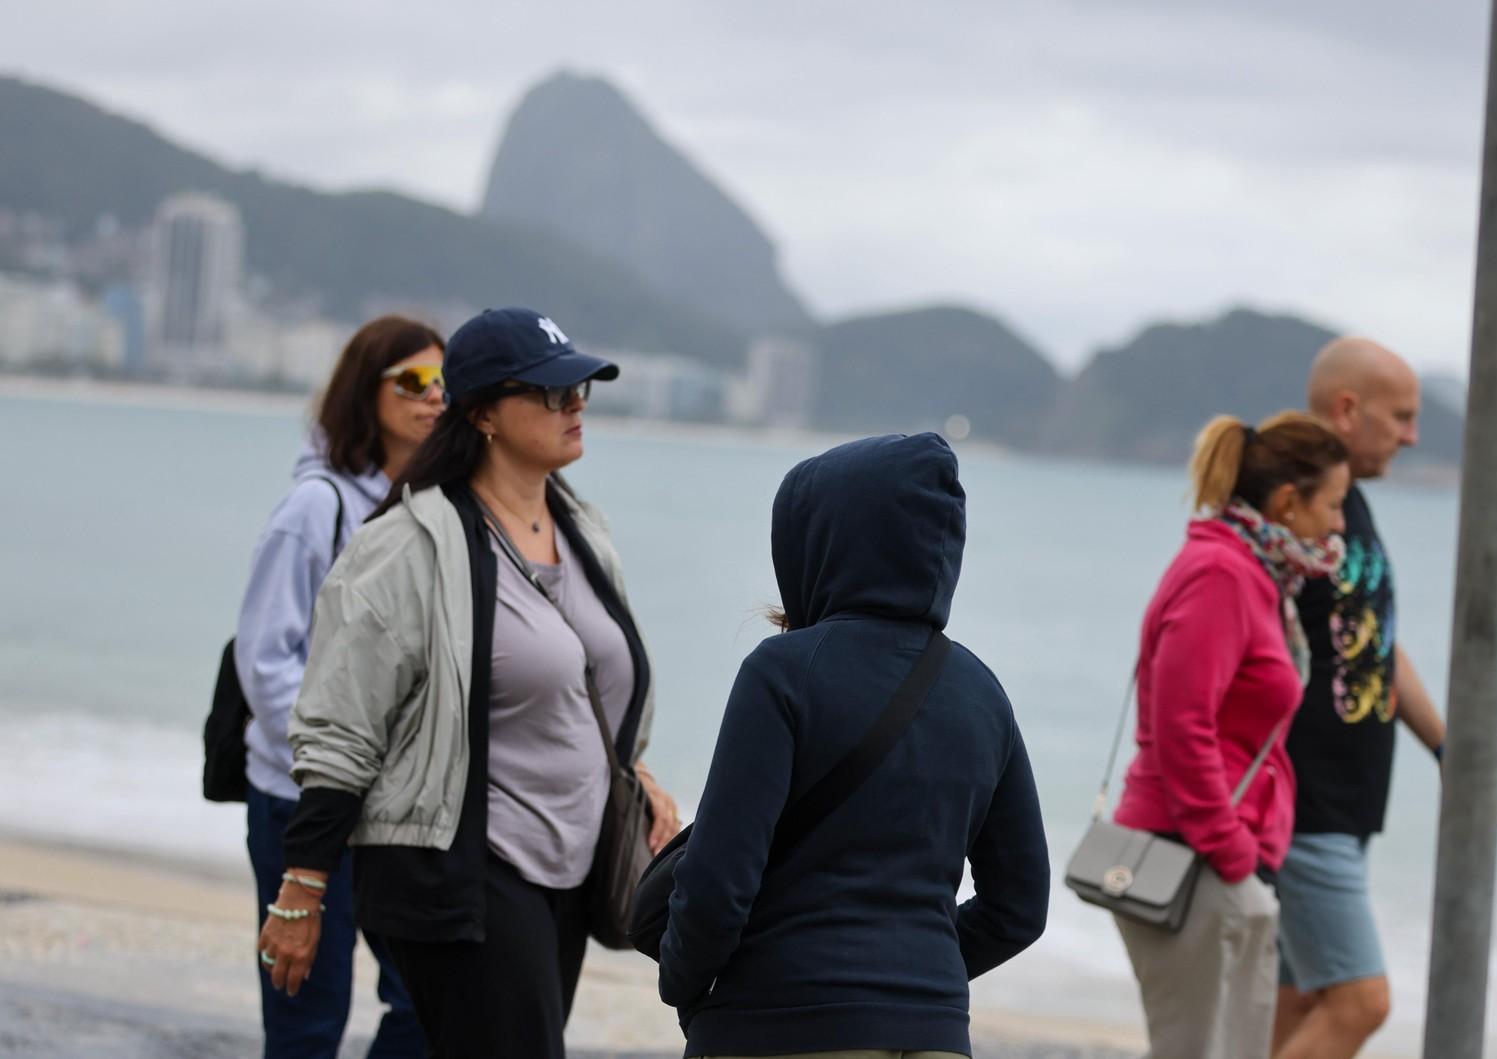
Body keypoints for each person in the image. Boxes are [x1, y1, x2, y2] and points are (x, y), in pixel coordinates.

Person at [254, 307, 681, 1059]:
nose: (575, 403)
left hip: (570, 863)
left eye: (581, 387)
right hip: (462, 867)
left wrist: (634, 771)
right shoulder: (409, 542)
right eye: (551, 392)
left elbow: (590, 682)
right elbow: (340, 722)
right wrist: (304, 884)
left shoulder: (583, 529)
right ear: (482, 411)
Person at [658, 432, 1051, 1059]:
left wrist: (681, 983)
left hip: (779, 1024)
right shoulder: (982, 692)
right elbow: (1021, 906)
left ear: (822, 542)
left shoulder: (783, 671)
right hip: (936, 1032)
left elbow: (717, 880)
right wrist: (919, 981)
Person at [235, 314, 444, 1058]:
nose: (433, 397)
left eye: (443, 382)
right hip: (300, 800)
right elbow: (265, 659)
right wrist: (335, 765)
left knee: (426, 1004)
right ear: (367, 390)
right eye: (412, 381)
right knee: (306, 1019)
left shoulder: (433, 509)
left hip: (395, 808)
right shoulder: (313, 508)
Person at [1113, 411, 1350, 1059]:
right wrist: (1231, 850)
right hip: (1190, 855)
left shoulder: (1255, 574)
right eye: (1332, 504)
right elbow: (1181, 724)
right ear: (1285, 501)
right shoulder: (1222, 573)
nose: (1339, 524)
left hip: (1212, 852)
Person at [1272, 338, 1447, 1059]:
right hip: (1305, 804)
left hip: (1345, 806)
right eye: (1401, 417)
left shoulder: (1350, 506)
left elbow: (1375, 640)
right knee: (1360, 1000)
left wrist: (1447, 746)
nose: (1411, 434)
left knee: (1296, 1004)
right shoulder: (1286, 503)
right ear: (1348, 409)